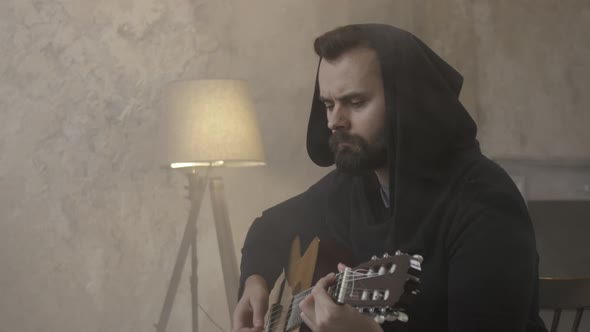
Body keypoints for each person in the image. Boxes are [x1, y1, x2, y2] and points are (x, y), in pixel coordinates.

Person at [232, 24, 548, 332]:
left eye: (355, 102)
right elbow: (270, 227)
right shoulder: (357, 185)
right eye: (328, 104)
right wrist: (254, 280)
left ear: (406, 103)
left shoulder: (486, 203)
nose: (333, 121)